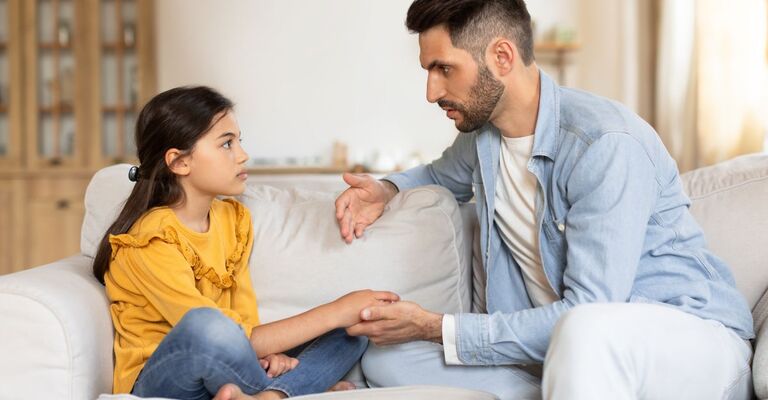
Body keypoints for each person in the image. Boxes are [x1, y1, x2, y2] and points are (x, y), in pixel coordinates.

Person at [334, 1, 755, 399]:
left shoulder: (604, 143)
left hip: (688, 339)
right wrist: (386, 189)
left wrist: (437, 327)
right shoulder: (482, 139)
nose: (431, 91)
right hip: (563, 352)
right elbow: (434, 176)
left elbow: (593, 309)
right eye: (428, 70)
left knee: (585, 330)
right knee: (387, 353)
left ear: (502, 56)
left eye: (444, 68)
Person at [92, 86, 400, 400]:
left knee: (351, 332)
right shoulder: (150, 240)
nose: (242, 155)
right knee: (207, 326)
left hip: (226, 367)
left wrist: (263, 354)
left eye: (239, 141)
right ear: (179, 162)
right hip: (164, 380)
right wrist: (335, 310)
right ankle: (288, 388)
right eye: (227, 144)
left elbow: (244, 324)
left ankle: (268, 394)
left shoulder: (232, 220)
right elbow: (223, 336)